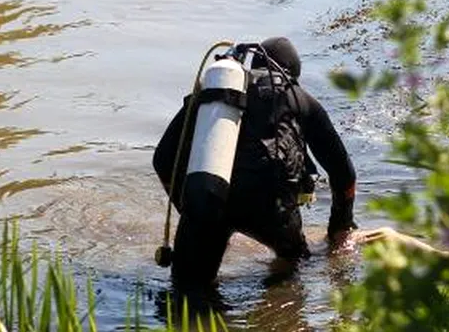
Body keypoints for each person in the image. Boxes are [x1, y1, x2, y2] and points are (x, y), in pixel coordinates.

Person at [153, 37, 357, 289]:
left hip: (210, 198)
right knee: (294, 266)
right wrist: (340, 228)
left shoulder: (215, 96)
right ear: (291, 73)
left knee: (186, 292)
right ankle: (281, 314)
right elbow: (343, 173)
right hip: (270, 208)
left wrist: (193, 210)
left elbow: (162, 158)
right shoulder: (300, 98)